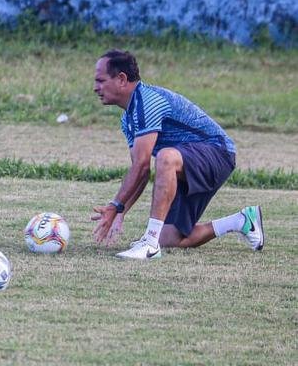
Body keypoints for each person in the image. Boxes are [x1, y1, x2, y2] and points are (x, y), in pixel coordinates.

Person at [90, 49, 264, 260]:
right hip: (186, 164)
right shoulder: (128, 119)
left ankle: (150, 243)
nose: (95, 88)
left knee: (166, 157)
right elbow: (141, 171)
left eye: (100, 81)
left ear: (121, 79)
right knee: (170, 238)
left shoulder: (147, 102)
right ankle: (242, 221)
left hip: (219, 153)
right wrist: (120, 212)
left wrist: (114, 205)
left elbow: (143, 165)